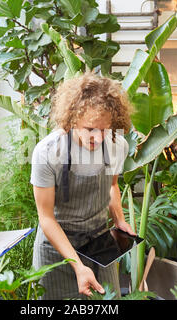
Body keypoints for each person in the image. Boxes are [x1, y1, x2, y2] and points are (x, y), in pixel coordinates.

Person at [30, 72, 135, 300]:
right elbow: (46, 218)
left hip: (98, 242)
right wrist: (78, 266)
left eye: (104, 129)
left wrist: (119, 219)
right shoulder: (48, 153)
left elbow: (112, 185)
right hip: (56, 250)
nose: (97, 138)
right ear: (72, 120)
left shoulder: (117, 146)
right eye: (90, 129)